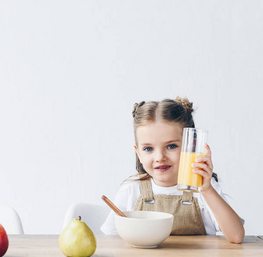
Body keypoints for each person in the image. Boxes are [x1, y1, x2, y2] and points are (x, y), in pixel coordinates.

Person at [101, 97, 244, 244]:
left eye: (171, 146)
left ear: (191, 146)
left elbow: (236, 236)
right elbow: (111, 240)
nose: (160, 157)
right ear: (138, 153)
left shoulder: (203, 188)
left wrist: (207, 190)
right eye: (148, 149)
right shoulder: (131, 189)